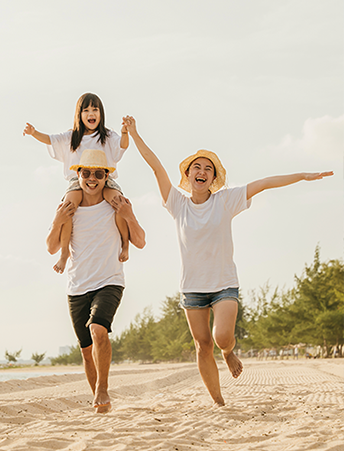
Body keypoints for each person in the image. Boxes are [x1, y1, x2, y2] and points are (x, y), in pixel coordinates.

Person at [123, 115, 333, 406]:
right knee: (202, 345)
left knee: (221, 338)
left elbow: (265, 183)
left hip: (224, 284)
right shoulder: (177, 203)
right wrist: (134, 133)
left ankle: (229, 350)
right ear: (188, 174)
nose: (202, 171)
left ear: (213, 178)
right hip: (192, 288)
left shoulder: (226, 200)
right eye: (196, 166)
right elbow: (155, 165)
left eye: (208, 168)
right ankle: (219, 400)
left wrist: (303, 176)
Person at [46, 149, 146, 413]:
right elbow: (50, 247)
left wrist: (130, 215)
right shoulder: (70, 207)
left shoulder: (115, 204)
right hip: (77, 286)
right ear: (78, 174)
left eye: (98, 174)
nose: (92, 179)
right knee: (86, 349)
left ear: (106, 177)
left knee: (98, 330)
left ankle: (103, 388)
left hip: (109, 280)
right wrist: (57, 221)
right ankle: (101, 404)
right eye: (87, 173)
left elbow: (142, 241)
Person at [24, 92, 130, 274]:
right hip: (77, 179)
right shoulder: (72, 136)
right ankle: (65, 253)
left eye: (95, 109)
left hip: (104, 177)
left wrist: (125, 132)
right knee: (68, 208)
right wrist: (34, 133)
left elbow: (123, 145)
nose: (91, 113)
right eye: (86, 110)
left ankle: (125, 244)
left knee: (118, 202)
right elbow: (51, 139)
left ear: (101, 113)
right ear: (79, 115)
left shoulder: (107, 135)